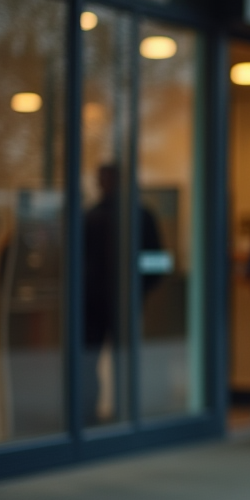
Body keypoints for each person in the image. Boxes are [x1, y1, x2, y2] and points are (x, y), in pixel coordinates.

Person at [82, 164, 163, 425]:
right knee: (90, 361)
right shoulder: (92, 216)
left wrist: (139, 290)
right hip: (94, 304)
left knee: (121, 360)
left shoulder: (139, 216)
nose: (101, 184)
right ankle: (91, 414)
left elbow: (155, 260)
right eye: (100, 179)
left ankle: (123, 414)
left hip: (121, 303)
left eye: (105, 179)